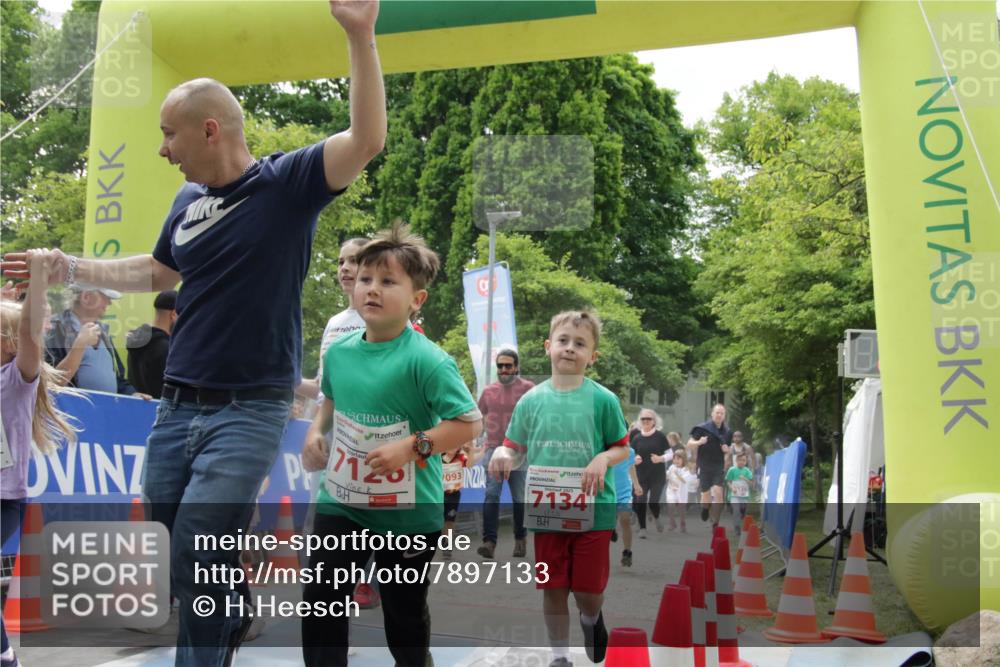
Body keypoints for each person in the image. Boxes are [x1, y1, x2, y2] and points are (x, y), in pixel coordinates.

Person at [2, 4, 386, 665]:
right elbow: (155, 269)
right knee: (170, 538)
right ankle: (232, 606)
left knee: (199, 550)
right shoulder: (185, 203)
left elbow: (366, 138)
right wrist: (68, 266)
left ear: (209, 130)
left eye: (167, 135)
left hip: (250, 408)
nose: (159, 149)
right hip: (177, 407)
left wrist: (358, 32)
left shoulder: (287, 183)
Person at [299, 222, 482, 666]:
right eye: (365, 279)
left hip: (408, 510)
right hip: (342, 499)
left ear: (417, 300)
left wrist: (410, 447)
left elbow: (468, 424)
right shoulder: (339, 353)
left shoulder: (428, 359)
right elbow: (332, 399)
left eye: (387, 281)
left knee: (403, 616)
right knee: (321, 601)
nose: (371, 290)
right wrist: (314, 431)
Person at [490, 310, 629, 667]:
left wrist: (603, 459)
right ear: (548, 347)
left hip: (595, 509)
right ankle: (560, 657)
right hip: (546, 509)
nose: (570, 348)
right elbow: (512, 445)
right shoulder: (531, 401)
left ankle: (590, 618)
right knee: (553, 588)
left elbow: (622, 446)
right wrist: (502, 454)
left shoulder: (603, 400)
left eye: (580, 344)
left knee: (587, 592)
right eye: (563, 341)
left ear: (592, 356)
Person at [1, 250, 80, 667]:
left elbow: (31, 333)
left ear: (8, 343)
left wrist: (37, 283)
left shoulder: (17, 378)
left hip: (3, 498)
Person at [477, 347, 535, 559]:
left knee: (519, 498)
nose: (503, 369)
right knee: (491, 495)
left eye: (508, 365)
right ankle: (489, 542)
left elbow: (537, 417)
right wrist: (474, 443)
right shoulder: (488, 391)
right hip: (493, 449)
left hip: (519, 451)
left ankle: (520, 539)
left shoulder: (529, 388)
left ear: (516, 367)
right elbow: (477, 417)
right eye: (500, 365)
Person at [44, 285, 140, 396]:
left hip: (105, 411)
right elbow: (51, 382)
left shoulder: (103, 332)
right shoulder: (53, 329)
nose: (110, 303)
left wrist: (132, 394)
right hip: (72, 411)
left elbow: (117, 378)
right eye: (105, 297)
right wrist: (80, 344)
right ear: (86, 297)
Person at [688, 403, 733, 529]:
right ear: (712, 414)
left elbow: (728, 450)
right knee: (706, 494)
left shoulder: (728, 432)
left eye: (722, 413)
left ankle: (716, 523)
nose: (719, 415)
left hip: (718, 466)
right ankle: (705, 508)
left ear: (724, 416)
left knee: (718, 492)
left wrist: (727, 450)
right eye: (717, 412)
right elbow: (689, 444)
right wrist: (699, 442)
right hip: (704, 465)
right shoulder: (702, 428)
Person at [126, 289, 177, 398]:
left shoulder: (137, 340)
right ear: (173, 314)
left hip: (137, 408)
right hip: (159, 410)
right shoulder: (166, 348)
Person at [631, 408, 670, 538]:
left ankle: (657, 517)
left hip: (657, 476)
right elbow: (629, 455)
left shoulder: (660, 436)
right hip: (641, 475)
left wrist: (660, 459)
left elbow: (671, 454)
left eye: (649, 419)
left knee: (653, 502)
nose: (646, 421)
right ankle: (642, 528)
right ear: (640, 421)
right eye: (643, 419)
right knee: (640, 501)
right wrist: (634, 459)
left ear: (654, 421)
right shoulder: (636, 438)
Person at [441, 441, 481, 560]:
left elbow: (470, 465)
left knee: (449, 522)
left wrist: (472, 451)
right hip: (439, 494)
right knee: (438, 521)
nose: (452, 448)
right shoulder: (438, 457)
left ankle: (447, 547)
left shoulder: (461, 457)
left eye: (455, 444)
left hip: (453, 495)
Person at [611, 441, 641, 567]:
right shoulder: (604, 448)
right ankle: (611, 528)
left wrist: (636, 484)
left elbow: (631, 466)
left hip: (625, 492)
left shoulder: (630, 451)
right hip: (608, 491)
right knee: (609, 520)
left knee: (625, 519)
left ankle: (627, 552)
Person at [665, 448, 695, 532]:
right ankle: (672, 523)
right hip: (671, 490)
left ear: (683, 459)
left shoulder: (686, 469)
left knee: (681, 509)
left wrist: (677, 474)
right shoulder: (671, 467)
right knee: (670, 506)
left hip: (681, 492)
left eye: (678, 459)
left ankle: (682, 523)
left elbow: (684, 480)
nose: (676, 461)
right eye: (674, 458)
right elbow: (667, 475)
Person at [726, 452, 753, 536]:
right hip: (734, 495)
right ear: (736, 460)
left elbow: (751, 483)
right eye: (740, 460)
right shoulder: (732, 470)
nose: (741, 462)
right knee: (736, 510)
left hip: (744, 495)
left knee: (742, 511)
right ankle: (737, 528)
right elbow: (728, 481)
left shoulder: (747, 471)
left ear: (746, 462)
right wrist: (732, 488)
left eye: (743, 460)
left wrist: (745, 479)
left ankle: (741, 517)